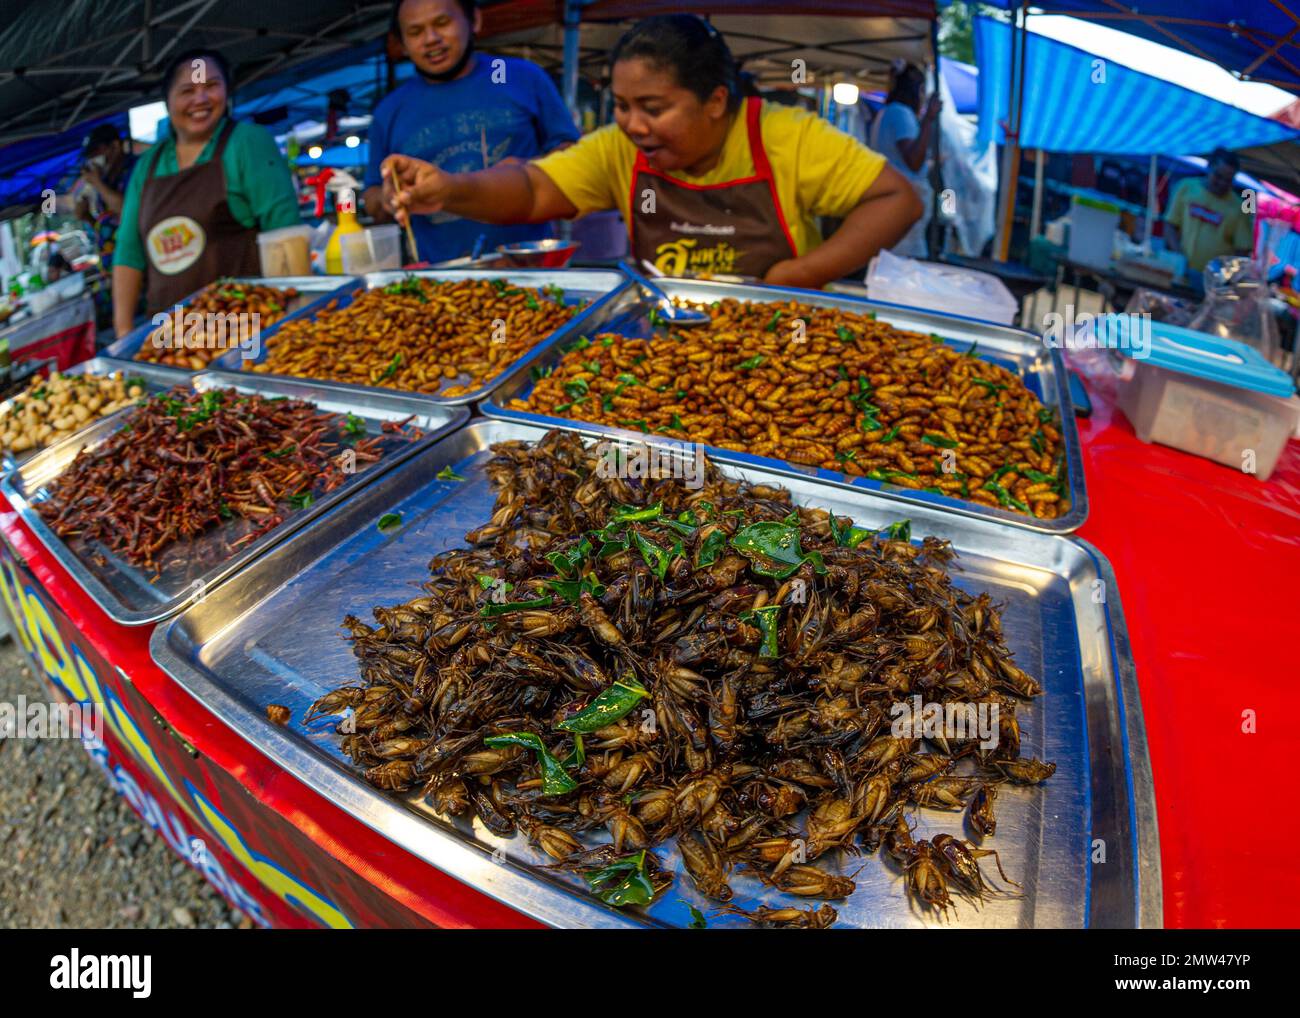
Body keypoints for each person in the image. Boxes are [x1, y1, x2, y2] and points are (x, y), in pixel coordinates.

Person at [380, 14, 921, 288]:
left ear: (714, 101)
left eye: (654, 108)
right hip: (664, 341)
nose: (633, 125)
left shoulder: (786, 136)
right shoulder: (619, 147)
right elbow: (532, 190)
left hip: (781, 335)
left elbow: (898, 198)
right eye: (620, 105)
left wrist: (794, 276)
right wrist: (450, 188)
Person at [362, 0, 579, 263]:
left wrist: (521, 172)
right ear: (400, 43)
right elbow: (370, 197)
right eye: (415, 32)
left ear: (474, 21)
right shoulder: (390, 110)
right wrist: (388, 197)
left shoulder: (514, 75)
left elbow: (573, 156)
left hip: (531, 266)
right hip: (442, 282)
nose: (431, 39)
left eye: (442, 23)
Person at [112, 48, 300, 336]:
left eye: (211, 86)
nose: (200, 99)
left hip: (244, 333)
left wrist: (290, 325)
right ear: (168, 101)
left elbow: (286, 234)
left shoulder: (248, 143)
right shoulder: (147, 166)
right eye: (187, 90)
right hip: (172, 340)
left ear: (227, 92)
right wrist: (123, 333)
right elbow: (128, 253)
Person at [869, 61, 939, 259]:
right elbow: (913, 160)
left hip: (891, 202)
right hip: (902, 205)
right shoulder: (901, 113)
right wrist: (929, 119)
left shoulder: (886, 112)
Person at [1164, 149, 1254, 276]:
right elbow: (1170, 225)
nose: (1222, 183)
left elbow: (1243, 250)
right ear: (1209, 167)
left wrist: (1225, 276)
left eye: (1228, 180)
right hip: (1179, 269)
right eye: (1218, 176)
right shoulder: (1186, 187)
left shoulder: (1240, 207)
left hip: (1211, 280)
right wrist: (1179, 257)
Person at [75, 123, 135, 271]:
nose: (93, 160)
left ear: (115, 147)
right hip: (115, 268)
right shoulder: (106, 181)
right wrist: (87, 217)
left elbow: (127, 211)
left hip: (137, 263)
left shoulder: (135, 170)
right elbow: (108, 228)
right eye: (90, 157)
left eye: (96, 153)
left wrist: (97, 183)